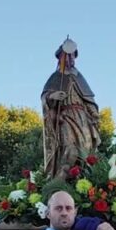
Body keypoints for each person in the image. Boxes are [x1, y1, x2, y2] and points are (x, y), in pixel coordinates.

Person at [41, 38, 101, 179]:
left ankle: (80, 181)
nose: (69, 58)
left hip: (82, 119)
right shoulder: (56, 77)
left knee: (85, 150)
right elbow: (45, 98)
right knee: (69, 149)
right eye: (66, 55)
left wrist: (93, 112)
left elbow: (88, 99)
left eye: (72, 55)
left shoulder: (80, 77)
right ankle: (59, 183)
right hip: (65, 117)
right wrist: (53, 96)